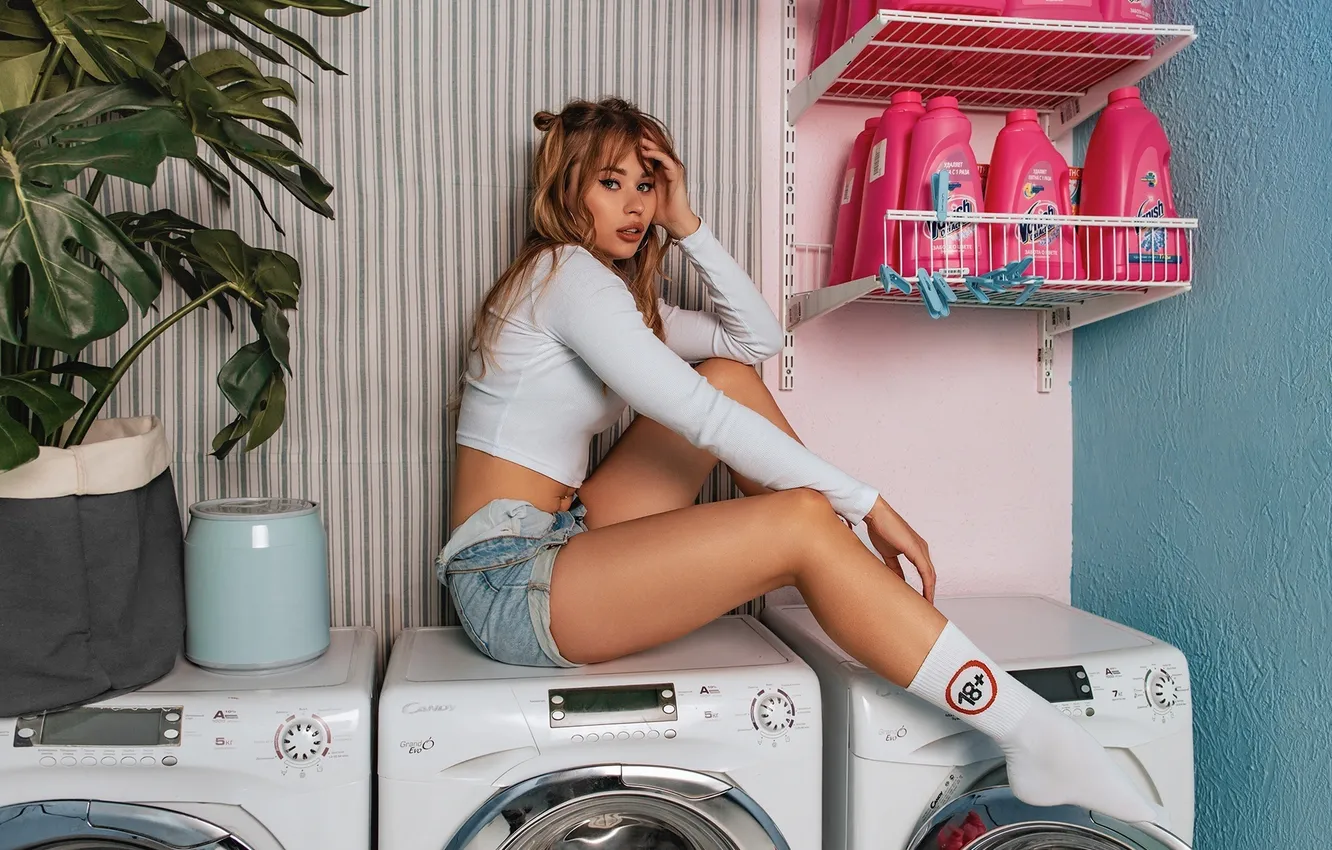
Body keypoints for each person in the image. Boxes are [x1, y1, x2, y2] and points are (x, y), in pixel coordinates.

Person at [440, 97, 1163, 826]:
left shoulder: (616, 296)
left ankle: (845, 584)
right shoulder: (568, 278)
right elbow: (700, 420)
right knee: (798, 514)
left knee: (728, 377)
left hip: (556, 540)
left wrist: (687, 223)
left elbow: (753, 341)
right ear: (567, 188)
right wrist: (867, 501)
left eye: (647, 184)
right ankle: (1031, 728)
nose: (636, 205)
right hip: (506, 582)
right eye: (611, 183)